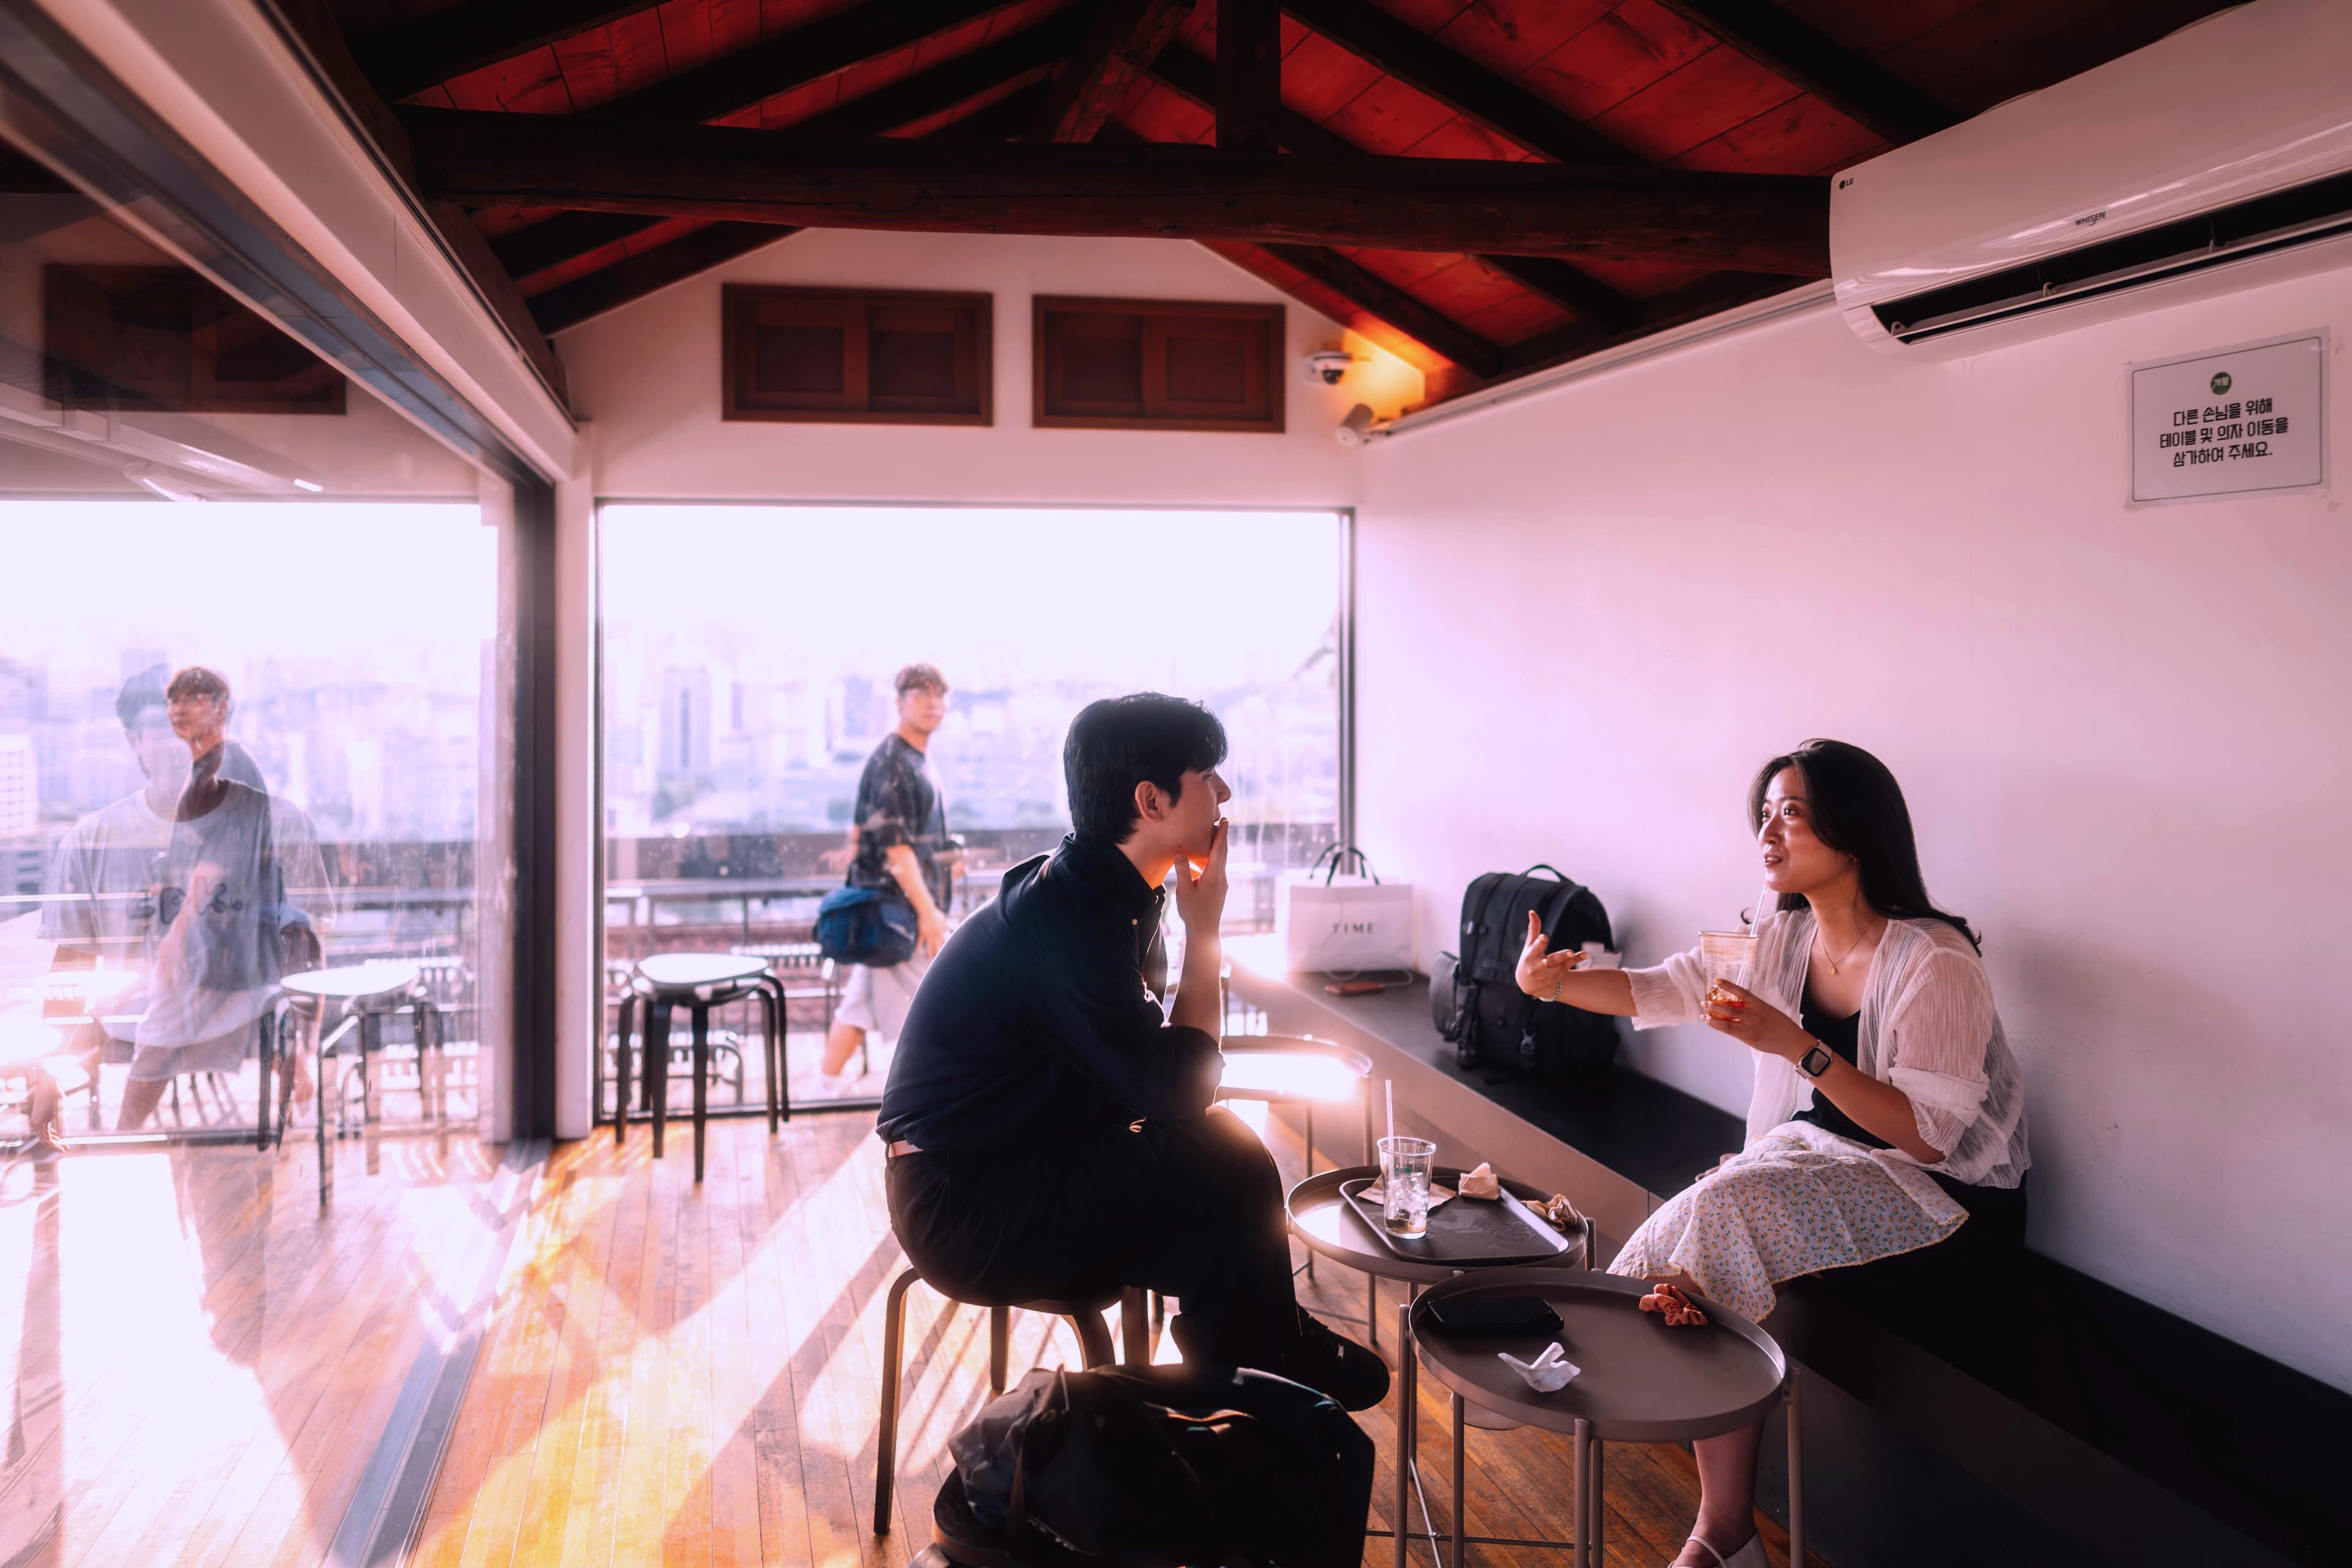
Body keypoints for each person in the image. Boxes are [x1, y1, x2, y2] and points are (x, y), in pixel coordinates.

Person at [1517, 740, 2029, 1568]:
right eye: (1766, 814)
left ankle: (1704, 1513)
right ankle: (1607, 1393)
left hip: (1949, 1198)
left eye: (1792, 813)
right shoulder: (1778, 937)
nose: (1769, 834)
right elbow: (1663, 987)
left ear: (1854, 831)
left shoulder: (1937, 962)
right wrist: (1547, 984)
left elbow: (1929, 1137)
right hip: (1830, 1156)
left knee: (1723, 1204)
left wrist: (1801, 1050)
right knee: (1707, 1209)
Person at [876, 693, 1387, 1409]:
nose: (1225, 792)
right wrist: (1206, 931)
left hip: (1020, 1161)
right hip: (966, 1204)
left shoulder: (1104, 891)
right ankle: (1263, 1381)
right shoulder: (1072, 925)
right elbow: (1181, 1090)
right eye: (1207, 775)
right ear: (1151, 800)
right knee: (1221, 1151)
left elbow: (1159, 1065)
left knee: (1229, 1249)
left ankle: (1241, 1407)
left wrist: (1192, 922)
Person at [36, 666, 325, 1135]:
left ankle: (127, 1137)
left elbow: (302, 937)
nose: (178, 740)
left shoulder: (268, 820)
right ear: (134, 741)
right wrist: (48, 1072)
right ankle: (125, 1139)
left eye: (190, 725)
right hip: (142, 1024)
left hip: (243, 1017)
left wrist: (305, 1050)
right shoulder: (94, 841)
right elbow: (70, 966)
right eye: (164, 726)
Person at [820, 663, 957, 1084]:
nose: (933, 704)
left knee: (858, 1008)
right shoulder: (895, 762)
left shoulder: (910, 758)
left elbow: (864, 828)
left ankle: (821, 1090)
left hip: (890, 910)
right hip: (903, 913)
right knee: (935, 1015)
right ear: (899, 703)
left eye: (939, 695)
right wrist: (929, 913)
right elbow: (896, 848)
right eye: (921, 695)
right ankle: (917, 1112)